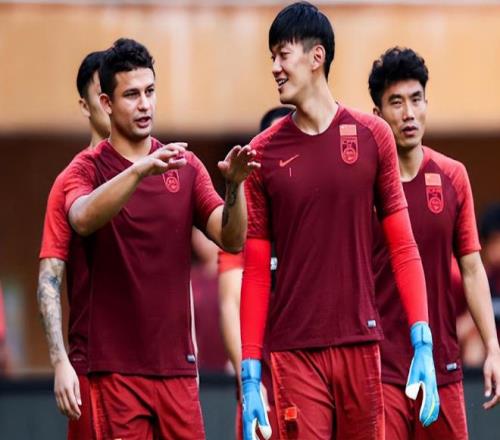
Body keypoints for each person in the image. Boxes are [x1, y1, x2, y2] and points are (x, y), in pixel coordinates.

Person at [240, 3, 439, 440]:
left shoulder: (373, 136)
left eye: (282, 54)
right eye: (271, 57)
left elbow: (403, 246)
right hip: (294, 352)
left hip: (361, 343)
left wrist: (422, 341)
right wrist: (250, 373)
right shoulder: (261, 154)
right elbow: (254, 271)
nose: (274, 68)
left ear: (317, 57)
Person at [62, 38, 258, 439]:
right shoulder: (86, 168)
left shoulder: (185, 166)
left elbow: (232, 239)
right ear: (106, 103)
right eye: (131, 95)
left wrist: (235, 187)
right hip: (115, 373)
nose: (145, 104)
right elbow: (81, 218)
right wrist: (139, 170)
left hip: (178, 372)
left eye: (150, 92)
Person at [369, 46, 500, 439]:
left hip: (443, 366)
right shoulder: (363, 186)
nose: (408, 113)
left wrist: (493, 347)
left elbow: (472, 268)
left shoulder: (452, 176)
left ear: (427, 103)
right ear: (377, 115)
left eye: (416, 99)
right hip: (381, 371)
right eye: (396, 102)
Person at [37, 50, 110, 439]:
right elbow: (49, 279)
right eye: (102, 93)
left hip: (161, 370)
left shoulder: (157, 167)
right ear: (86, 105)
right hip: (93, 368)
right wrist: (60, 362)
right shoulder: (71, 180)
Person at [218, 106, 293, 439]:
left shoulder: (315, 216)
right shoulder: (241, 220)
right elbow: (231, 303)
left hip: (312, 376)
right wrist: (249, 381)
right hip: (261, 385)